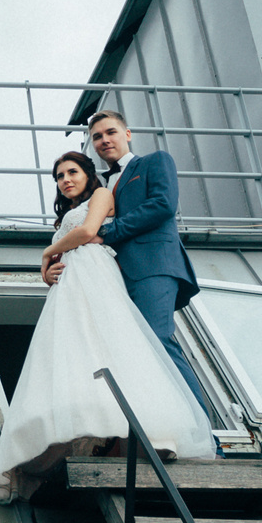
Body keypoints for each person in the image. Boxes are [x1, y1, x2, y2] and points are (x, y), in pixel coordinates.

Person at [0, 151, 214, 503]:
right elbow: (68, 248)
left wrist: (45, 254)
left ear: (88, 174)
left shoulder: (102, 196)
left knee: (110, 340)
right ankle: (90, 429)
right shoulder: (65, 215)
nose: (66, 179)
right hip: (71, 280)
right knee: (76, 350)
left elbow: (88, 231)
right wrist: (49, 269)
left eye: (72, 172)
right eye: (59, 176)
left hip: (94, 273)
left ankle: (146, 429)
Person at [52, 108, 208, 408]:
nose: (104, 140)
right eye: (97, 137)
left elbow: (163, 205)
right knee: (134, 352)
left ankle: (206, 439)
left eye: (110, 132)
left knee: (158, 340)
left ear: (127, 134)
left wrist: (109, 233)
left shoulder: (154, 162)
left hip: (154, 265)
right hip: (116, 276)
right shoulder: (101, 186)